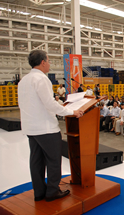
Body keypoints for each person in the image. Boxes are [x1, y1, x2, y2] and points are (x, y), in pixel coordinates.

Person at [18, 50, 83, 202]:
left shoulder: (24, 80)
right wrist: (72, 112)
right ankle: (53, 191)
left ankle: (39, 192)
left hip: (30, 127)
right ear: (42, 62)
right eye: (48, 60)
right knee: (53, 160)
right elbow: (50, 104)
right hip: (46, 128)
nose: (50, 64)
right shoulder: (42, 79)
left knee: (36, 161)